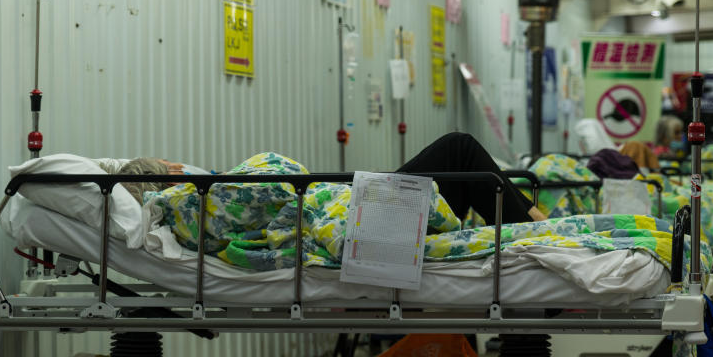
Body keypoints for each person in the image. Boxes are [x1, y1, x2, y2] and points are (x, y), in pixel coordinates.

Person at [106, 133, 546, 225]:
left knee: (462, 159)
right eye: (169, 162)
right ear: (173, 174)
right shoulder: (196, 197)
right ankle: (533, 228)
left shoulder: (201, 198)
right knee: (459, 149)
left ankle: (528, 224)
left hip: (349, 203)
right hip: (355, 211)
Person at [397, 132, 545, 224]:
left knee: (462, 150)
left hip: (379, 208)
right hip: (380, 213)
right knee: (460, 147)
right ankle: (533, 226)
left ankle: (534, 224)